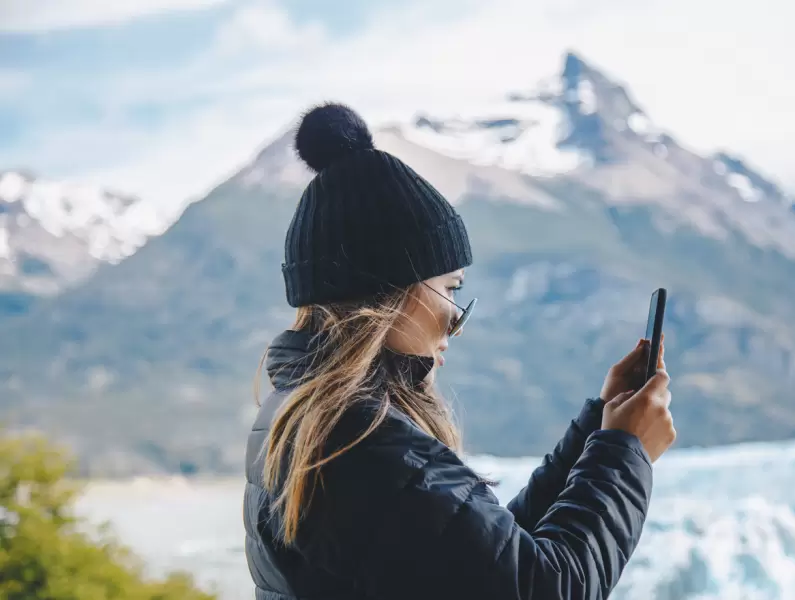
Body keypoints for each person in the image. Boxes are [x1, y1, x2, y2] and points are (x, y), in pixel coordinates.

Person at [243, 103, 676, 600]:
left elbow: (480, 562)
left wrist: (598, 428)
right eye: (449, 288)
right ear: (391, 290)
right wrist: (626, 452)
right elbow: (543, 590)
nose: (455, 316)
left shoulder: (306, 416)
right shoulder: (359, 442)